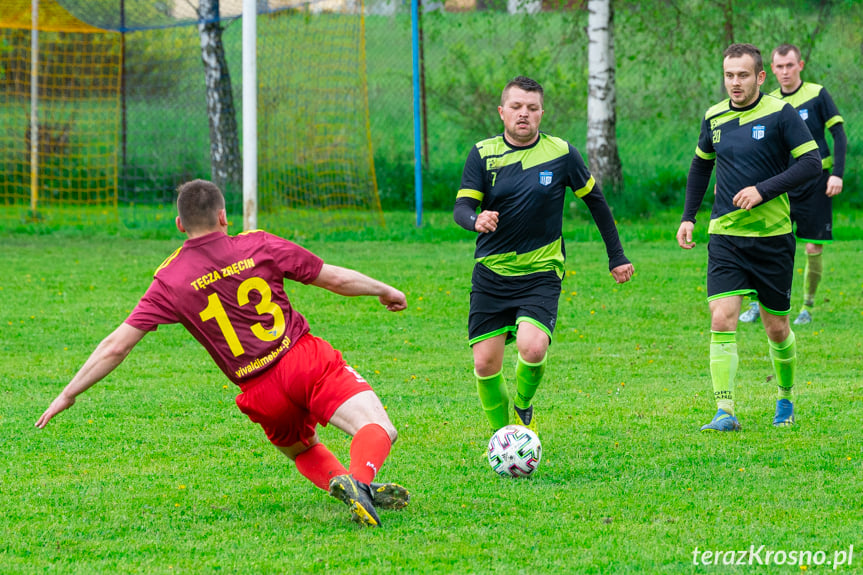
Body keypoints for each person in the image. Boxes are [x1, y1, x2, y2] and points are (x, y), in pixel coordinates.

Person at [36, 179, 409, 528]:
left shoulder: (169, 279)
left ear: (180, 224)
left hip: (261, 392)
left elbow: (116, 345)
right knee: (378, 428)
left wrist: (68, 394)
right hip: (302, 359)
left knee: (301, 450)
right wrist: (383, 289)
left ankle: (351, 488)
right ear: (223, 216)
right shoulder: (258, 244)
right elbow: (332, 277)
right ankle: (360, 481)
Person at [453, 75, 634, 434]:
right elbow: (461, 208)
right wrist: (476, 220)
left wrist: (617, 255)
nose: (524, 114)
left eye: (532, 108)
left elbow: (596, 203)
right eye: (517, 107)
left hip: (542, 271)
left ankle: (522, 405)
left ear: (542, 113)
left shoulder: (562, 153)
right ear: (502, 111)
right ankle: (502, 438)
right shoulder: (483, 153)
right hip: (491, 272)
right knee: (486, 363)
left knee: (532, 348)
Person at [677, 43, 822, 431]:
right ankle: (725, 411)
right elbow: (700, 166)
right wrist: (689, 216)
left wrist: (763, 190)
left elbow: (809, 163)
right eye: (729, 75)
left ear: (760, 76)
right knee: (722, 318)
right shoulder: (714, 117)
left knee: (777, 328)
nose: (735, 83)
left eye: (743, 75)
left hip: (773, 237)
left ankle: (786, 399)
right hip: (726, 235)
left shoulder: (781, 113)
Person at [739, 43, 847, 326]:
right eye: (779, 66)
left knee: (813, 248)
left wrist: (838, 173)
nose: (785, 71)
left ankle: (807, 307)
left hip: (816, 180)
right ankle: (755, 304)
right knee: (762, 241)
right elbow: (755, 146)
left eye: (790, 65)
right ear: (771, 70)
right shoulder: (769, 101)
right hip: (780, 183)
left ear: (800, 66)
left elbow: (839, 135)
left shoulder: (817, 94)